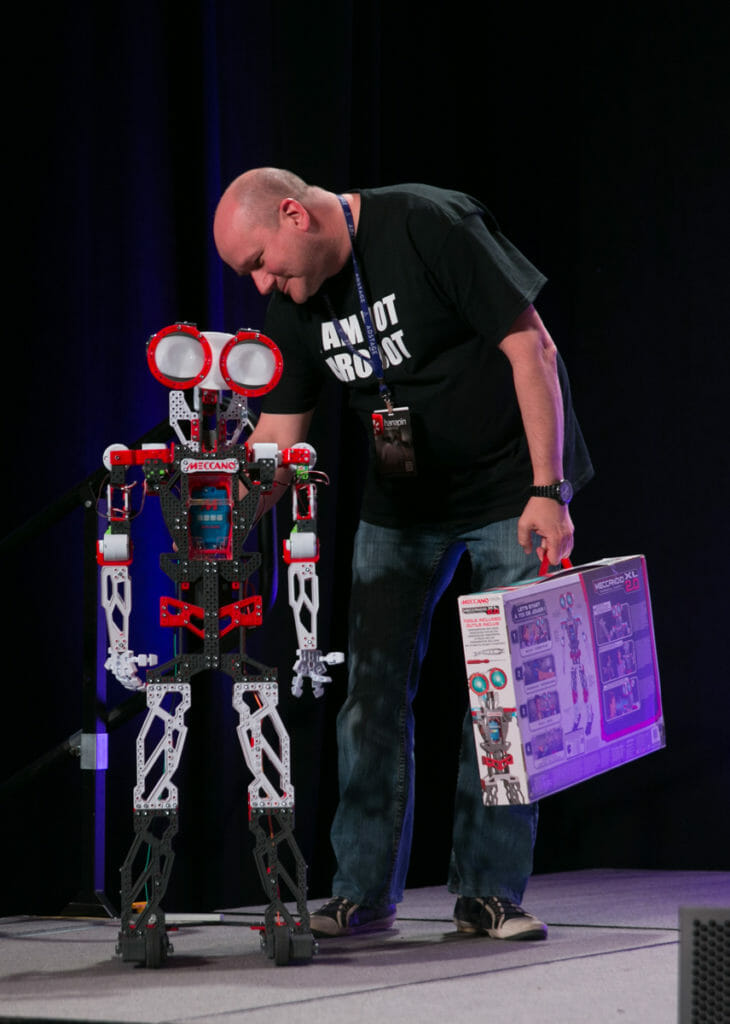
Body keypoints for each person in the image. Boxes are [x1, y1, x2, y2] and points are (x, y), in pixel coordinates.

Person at [213, 167, 593, 942]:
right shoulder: (296, 299)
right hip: (404, 506)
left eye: (260, 260)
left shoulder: (427, 224)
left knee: (504, 695)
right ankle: (361, 893)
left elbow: (534, 349)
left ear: (294, 214)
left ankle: (489, 891)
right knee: (371, 695)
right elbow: (281, 440)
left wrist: (549, 491)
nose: (261, 283)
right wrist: (218, 511)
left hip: (509, 488)